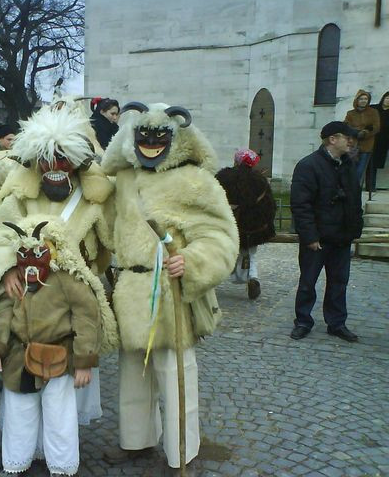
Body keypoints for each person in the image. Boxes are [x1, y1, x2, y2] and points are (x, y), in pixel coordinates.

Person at [101, 102, 238, 474]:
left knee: (175, 373)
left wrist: (192, 261)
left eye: (160, 136)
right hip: (130, 288)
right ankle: (136, 441)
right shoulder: (125, 179)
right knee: (133, 372)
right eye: (143, 135)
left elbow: (220, 236)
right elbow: (106, 224)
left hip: (170, 291)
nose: (150, 142)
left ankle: (183, 449)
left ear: (175, 138)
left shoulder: (196, 180)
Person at [0, 104, 119, 428]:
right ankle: (28, 446)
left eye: (63, 156)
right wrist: (9, 269)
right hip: (31, 299)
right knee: (27, 377)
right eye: (46, 157)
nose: (54, 166)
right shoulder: (19, 196)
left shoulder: (94, 197)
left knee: (68, 383)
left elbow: (115, 240)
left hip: (73, 302)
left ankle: (62, 447)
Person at [0, 218, 107, 476]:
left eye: (38, 254)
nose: (31, 262)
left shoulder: (67, 279)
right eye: (24, 255)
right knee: (18, 413)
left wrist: (84, 362)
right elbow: (2, 312)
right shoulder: (15, 279)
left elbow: (86, 317)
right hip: (19, 360)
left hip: (59, 361)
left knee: (60, 416)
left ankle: (62, 468)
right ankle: (15, 464)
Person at [289, 121, 363, 342]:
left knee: (339, 282)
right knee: (308, 282)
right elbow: (301, 205)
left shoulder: (348, 165)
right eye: (346, 138)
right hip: (318, 239)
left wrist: (355, 227)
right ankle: (303, 321)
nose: (351, 142)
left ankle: (337, 323)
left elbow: (354, 199)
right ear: (333, 139)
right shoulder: (308, 165)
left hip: (342, 237)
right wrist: (310, 236)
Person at [216, 148, 277, 299]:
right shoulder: (260, 181)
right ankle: (252, 278)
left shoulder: (223, 177)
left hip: (228, 224)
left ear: (236, 161)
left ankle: (212, 279)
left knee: (221, 253)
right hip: (252, 228)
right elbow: (269, 206)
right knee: (250, 255)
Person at [344, 89, 380, 188]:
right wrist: (357, 132)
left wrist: (365, 132)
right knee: (351, 168)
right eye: (361, 99)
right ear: (357, 100)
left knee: (360, 170)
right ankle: (348, 188)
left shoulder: (373, 112)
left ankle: (353, 189)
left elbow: (376, 127)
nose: (363, 101)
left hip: (367, 145)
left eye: (366, 99)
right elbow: (346, 126)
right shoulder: (350, 113)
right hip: (353, 145)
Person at [371, 91, 389, 191]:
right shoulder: (374, 108)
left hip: (385, 141)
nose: (388, 100)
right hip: (373, 139)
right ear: (383, 98)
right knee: (371, 164)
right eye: (387, 98)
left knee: (377, 162)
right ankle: (371, 186)